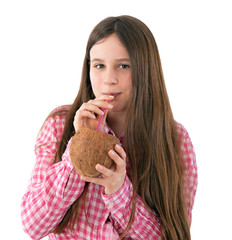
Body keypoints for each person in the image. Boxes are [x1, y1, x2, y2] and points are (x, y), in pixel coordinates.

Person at [21, 15, 197, 240]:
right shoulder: (59, 124)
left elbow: (174, 236)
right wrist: (80, 145)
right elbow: (32, 225)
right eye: (99, 65)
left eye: (123, 66)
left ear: (145, 70)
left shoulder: (175, 140)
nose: (109, 79)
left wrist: (118, 189)